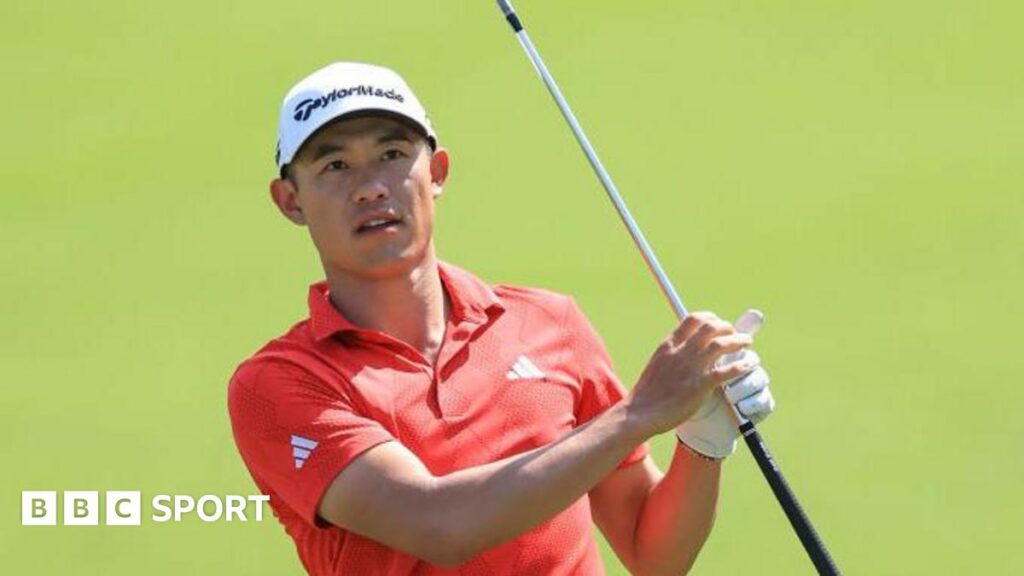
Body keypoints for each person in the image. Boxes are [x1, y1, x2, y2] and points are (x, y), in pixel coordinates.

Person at [228, 62, 775, 576]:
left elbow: (651, 552)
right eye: (335, 165)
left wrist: (703, 441)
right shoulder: (278, 385)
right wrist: (639, 414)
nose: (370, 186)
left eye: (393, 153)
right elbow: (439, 526)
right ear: (290, 201)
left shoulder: (549, 323)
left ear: (437, 172)